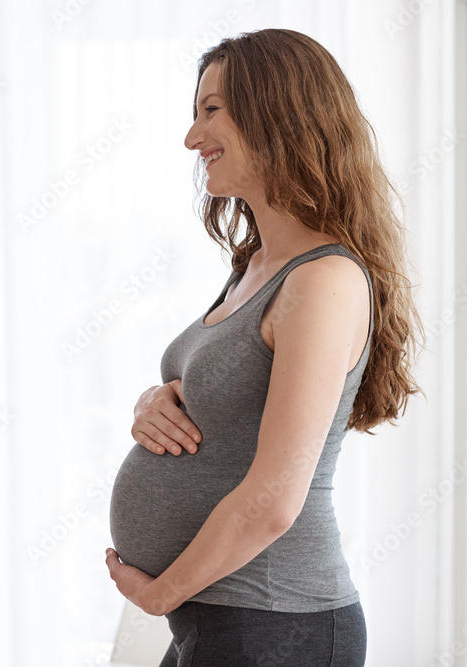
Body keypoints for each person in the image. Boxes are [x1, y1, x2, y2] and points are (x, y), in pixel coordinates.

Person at [104, 29, 424, 666]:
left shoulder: (324, 280)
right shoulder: (256, 264)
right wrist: (154, 399)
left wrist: (160, 595)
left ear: (279, 110)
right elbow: (228, 403)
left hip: (275, 626)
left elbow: (277, 497)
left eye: (211, 111)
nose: (193, 139)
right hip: (227, 619)